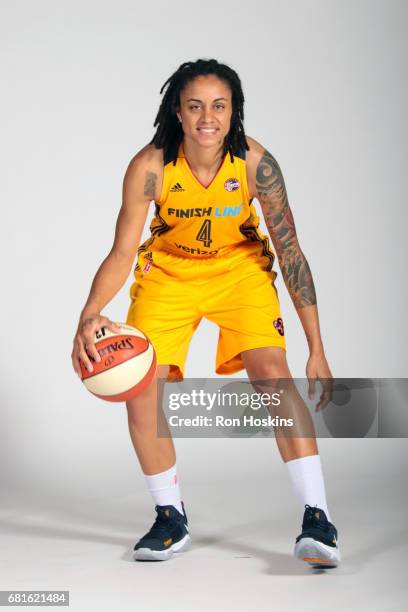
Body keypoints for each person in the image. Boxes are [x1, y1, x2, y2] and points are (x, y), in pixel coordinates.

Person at [71, 59, 340, 568]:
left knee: (272, 373)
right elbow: (122, 252)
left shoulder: (256, 164)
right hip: (169, 275)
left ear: (234, 111)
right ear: (178, 110)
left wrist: (317, 349)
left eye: (219, 106)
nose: (207, 117)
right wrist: (89, 313)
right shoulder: (150, 167)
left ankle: (317, 518)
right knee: (142, 391)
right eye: (195, 106)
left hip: (239, 272)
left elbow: (291, 253)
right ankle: (170, 518)